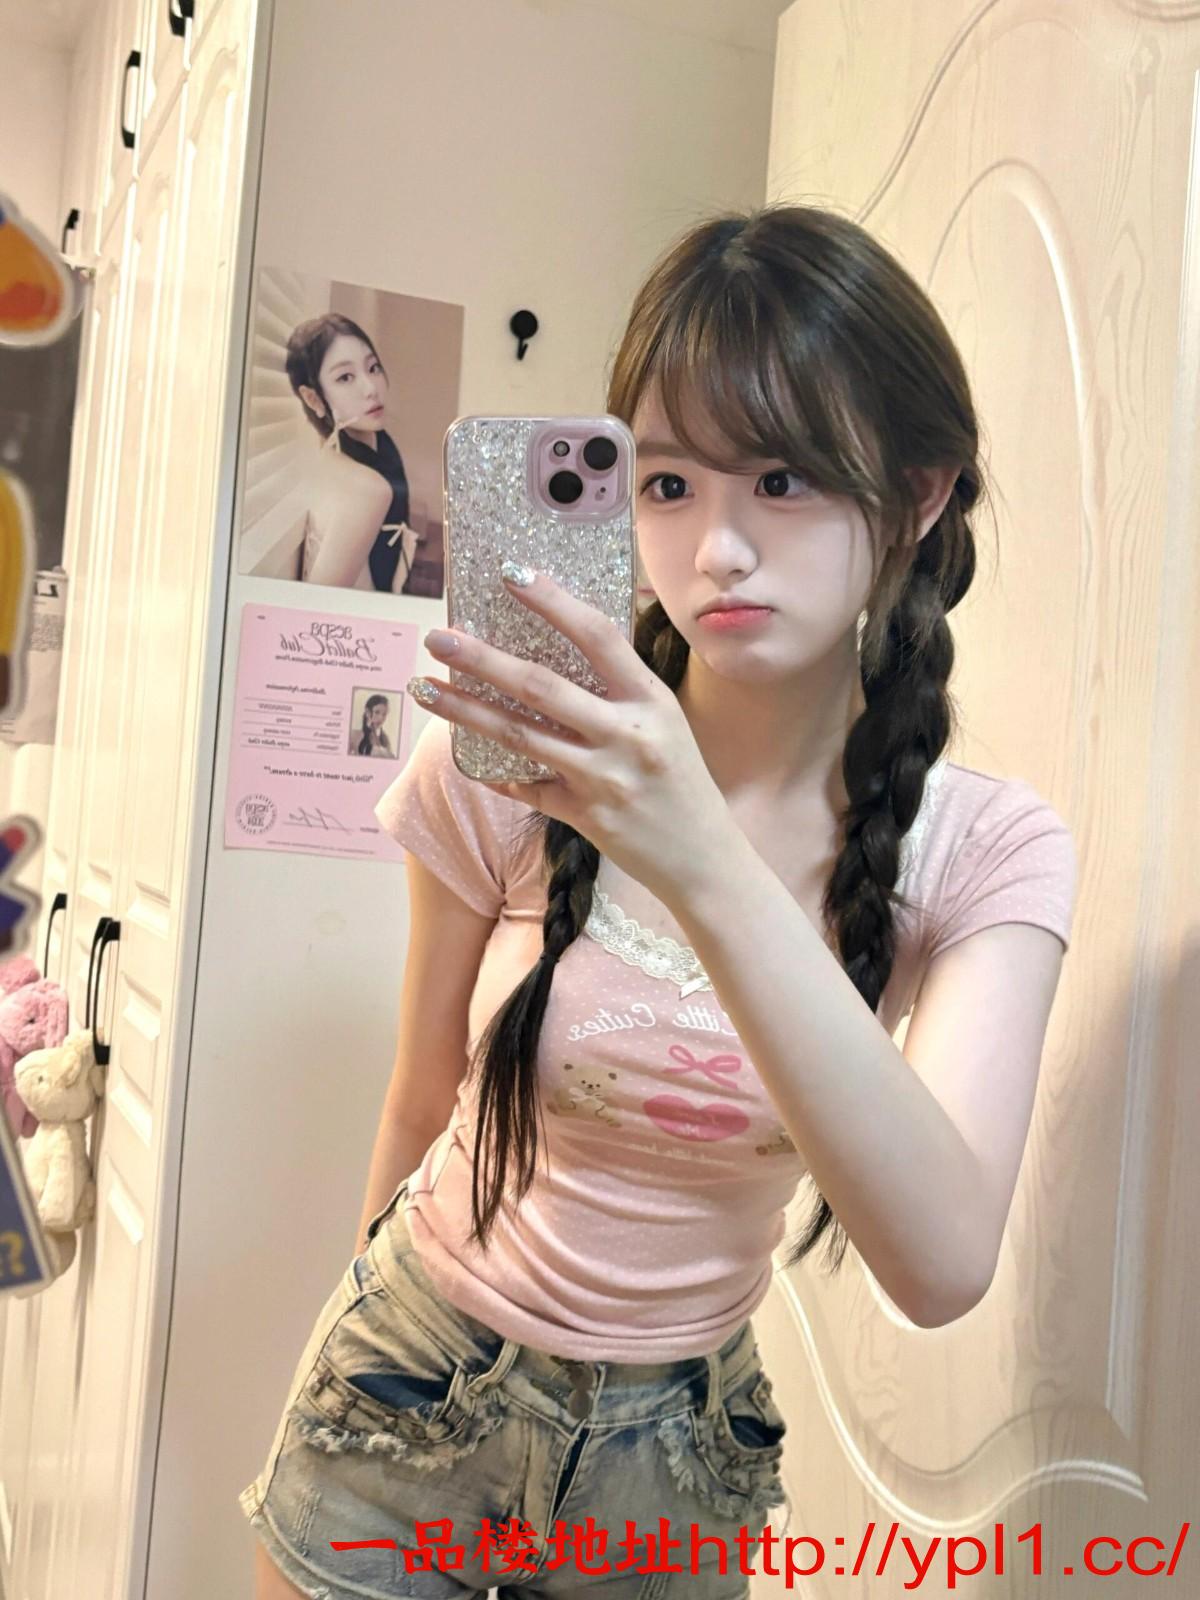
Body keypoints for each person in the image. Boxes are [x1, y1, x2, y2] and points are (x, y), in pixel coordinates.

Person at [240, 204, 1077, 1599]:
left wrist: (696, 848)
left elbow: (941, 1266)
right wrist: (366, 1353)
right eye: (670, 483)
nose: (717, 550)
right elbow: (422, 1085)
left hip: (676, 1460)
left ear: (919, 494)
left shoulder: (988, 852)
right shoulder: (512, 767)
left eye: (782, 479)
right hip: (413, 1376)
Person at [285, 312, 422, 592]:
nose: (371, 388)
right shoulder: (368, 488)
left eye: (373, 368)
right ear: (313, 398)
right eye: (345, 377)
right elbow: (318, 606)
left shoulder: (376, 445)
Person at [352, 694, 395, 759]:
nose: (381, 718)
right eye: (377, 712)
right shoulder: (354, 735)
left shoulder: (385, 739)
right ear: (367, 712)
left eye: (384, 714)